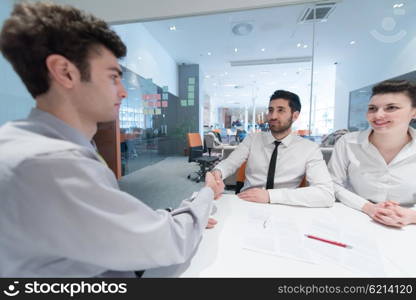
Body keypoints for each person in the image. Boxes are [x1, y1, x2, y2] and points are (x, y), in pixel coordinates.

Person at [0, 2, 223, 277]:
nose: (123, 92)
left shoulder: (32, 142)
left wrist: (164, 218)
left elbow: (102, 225)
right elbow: (170, 243)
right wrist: (206, 194)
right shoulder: (52, 164)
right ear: (65, 72)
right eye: (113, 77)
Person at [212, 90, 334, 207]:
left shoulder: (309, 149)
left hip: (285, 206)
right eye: (271, 110)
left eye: (281, 110)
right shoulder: (253, 139)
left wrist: (270, 196)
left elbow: (326, 194)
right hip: (248, 203)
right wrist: (217, 173)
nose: (273, 116)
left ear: (295, 115)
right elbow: (230, 163)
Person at [328, 80, 416, 228]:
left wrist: (410, 216)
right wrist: (368, 207)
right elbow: (332, 184)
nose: (378, 115)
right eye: (372, 108)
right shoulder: (347, 143)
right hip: (356, 217)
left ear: (413, 112)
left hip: (407, 226)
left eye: (391, 107)